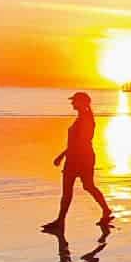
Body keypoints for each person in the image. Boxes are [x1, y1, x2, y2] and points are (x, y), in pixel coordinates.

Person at [43, 91, 112, 232]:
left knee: (79, 188)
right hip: (79, 157)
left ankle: (60, 222)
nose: (72, 103)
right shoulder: (82, 117)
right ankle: (61, 221)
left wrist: (61, 156)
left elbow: (80, 142)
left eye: (74, 101)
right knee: (84, 187)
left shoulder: (86, 119)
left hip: (80, 158)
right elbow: (76, 142)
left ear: (82, 103)